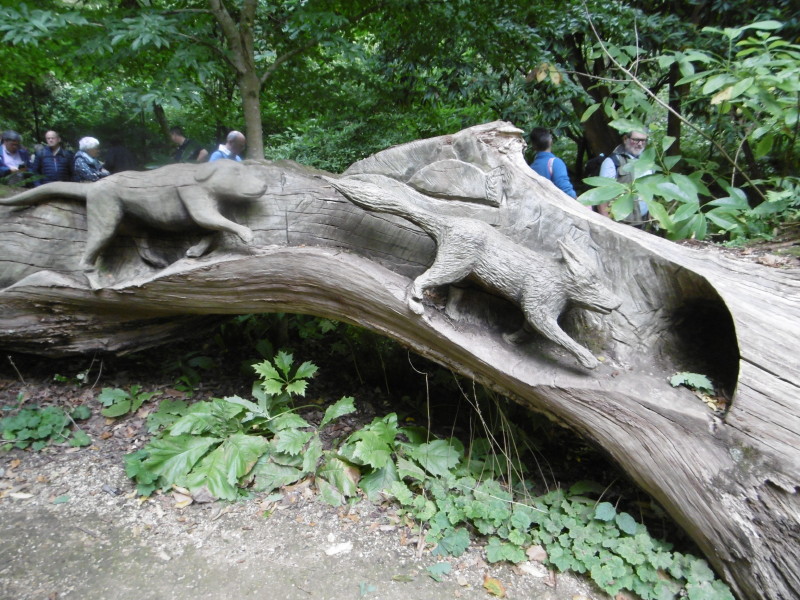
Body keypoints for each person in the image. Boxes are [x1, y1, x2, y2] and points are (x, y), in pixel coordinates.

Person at [597, 129, 651, 224]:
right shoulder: (612, 162)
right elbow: (601, 196)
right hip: (621, 222)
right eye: (636, 140)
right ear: (625, 139)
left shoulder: (648, 162)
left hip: (643, 222)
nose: (640, 144)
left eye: (643, 140)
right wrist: (606, 224)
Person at [528, 127, 576, 198]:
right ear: (550, 141)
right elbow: (566, 190)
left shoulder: (531, 168)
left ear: (533, 146)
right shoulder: (555, 163)